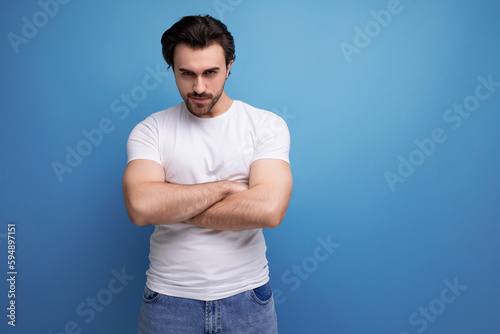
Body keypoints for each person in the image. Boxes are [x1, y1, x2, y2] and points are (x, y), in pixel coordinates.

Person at [122, 14, 293, 333]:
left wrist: (173, 203)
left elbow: (269, 210)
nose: (199, 87)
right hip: (169, 301)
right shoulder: (151, 130)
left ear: (229, 66)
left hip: (248, 300)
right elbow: (142, 207)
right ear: (172, 68)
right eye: (186, 74)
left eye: (210, 73)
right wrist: (227, 188)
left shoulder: (266, 126)